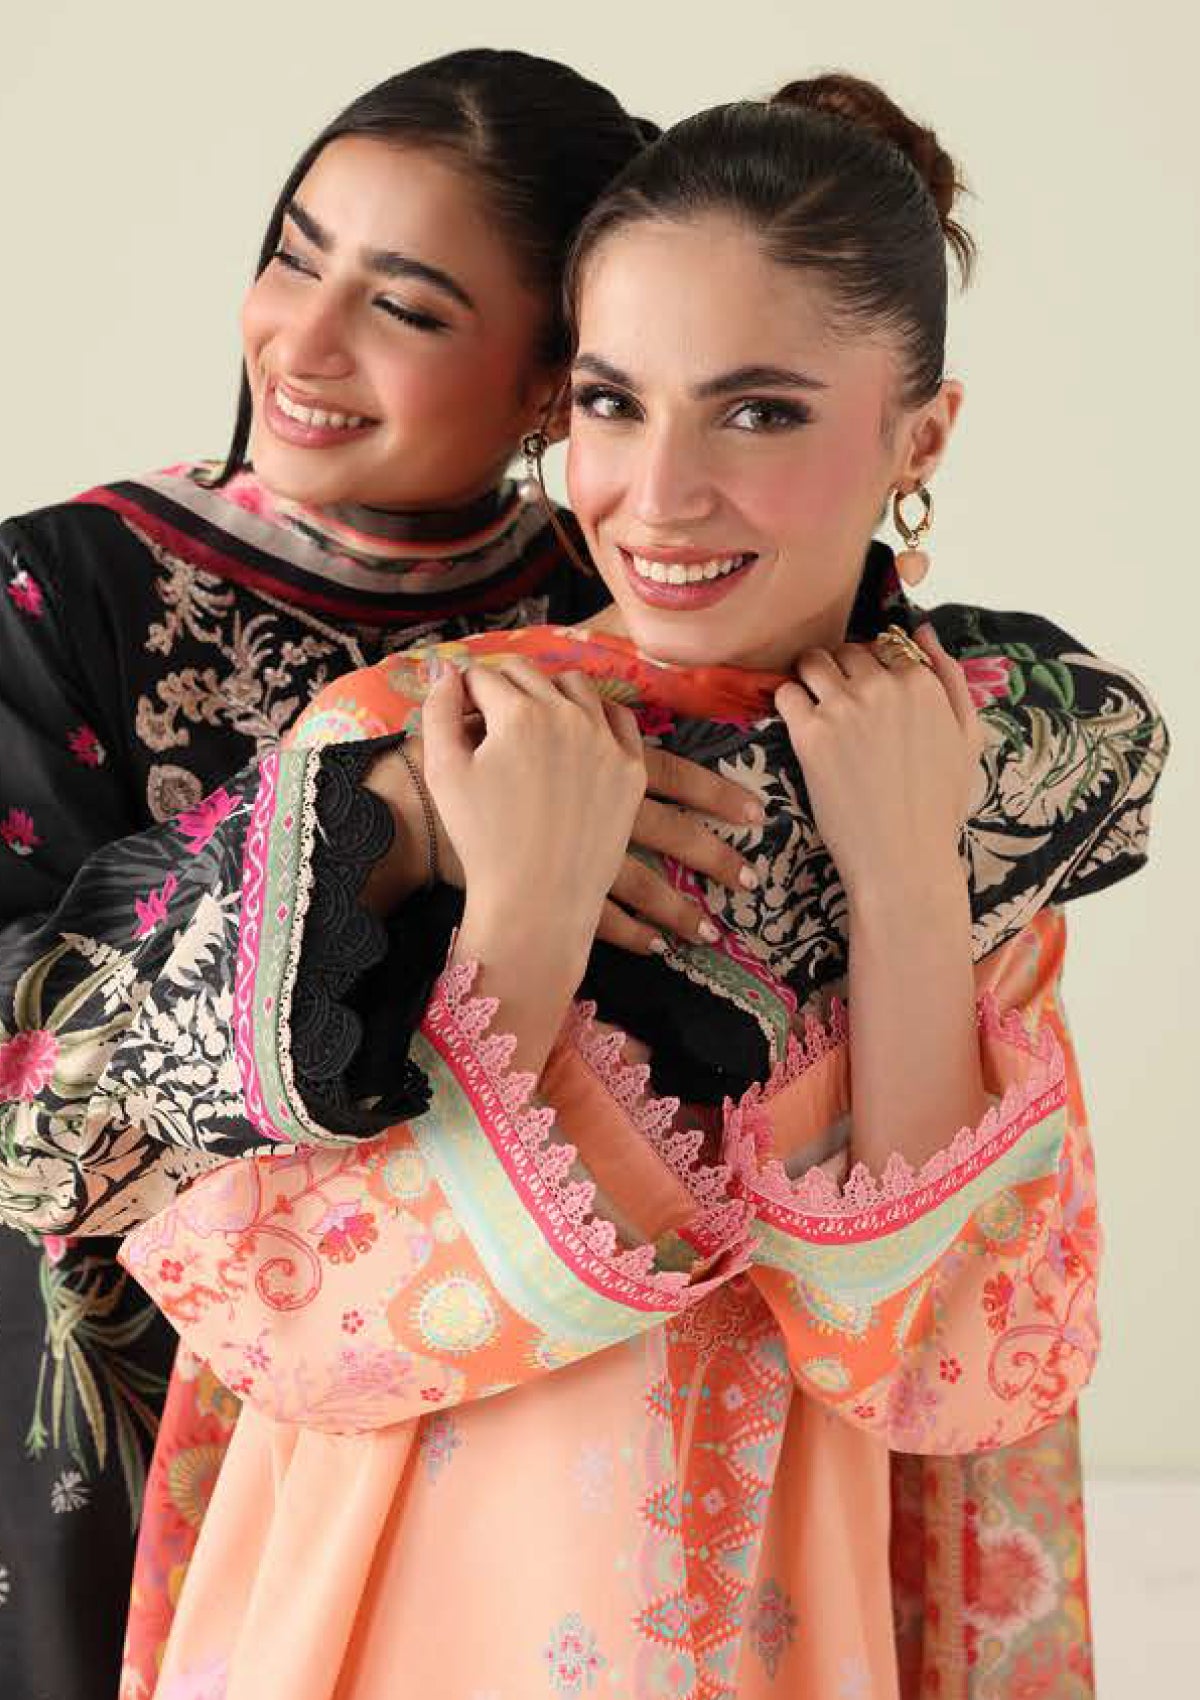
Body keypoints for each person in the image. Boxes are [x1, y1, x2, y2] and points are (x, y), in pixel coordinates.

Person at [119, 74, 1167, 1698]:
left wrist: (903, 881)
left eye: (759, 414)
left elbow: (954, 1374)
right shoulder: (408, 745)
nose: (660, 494)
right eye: (613, 403)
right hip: (400, 1604)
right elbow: (289, 1322)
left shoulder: (980, 776)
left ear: (921, 436)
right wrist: (524, 916)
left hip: (785, 1613)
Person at [0, 50, 763, 1700]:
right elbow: (26, 1090)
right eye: (296, 258)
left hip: (520, 1434)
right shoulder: (63, 593)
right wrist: (396, 822)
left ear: (555, 380)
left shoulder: (632, 612)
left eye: (404, 306)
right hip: (119, 1412)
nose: (303, 340)